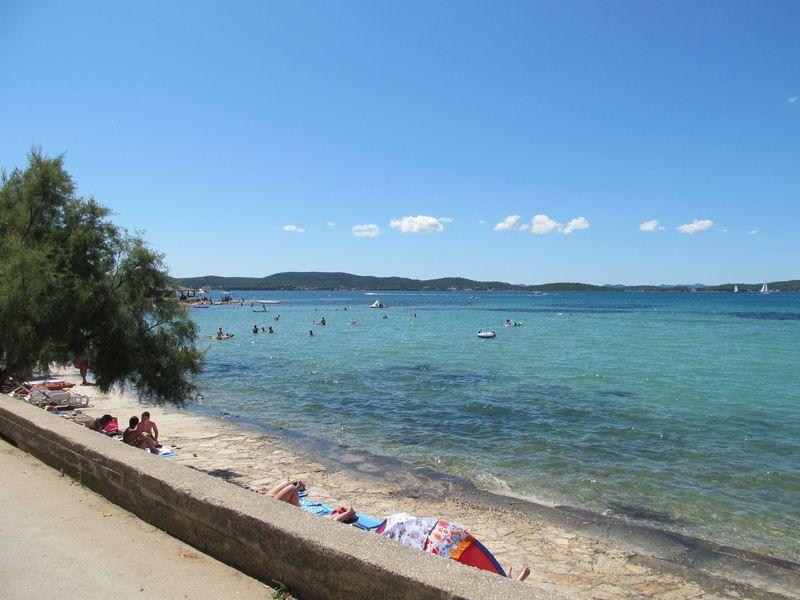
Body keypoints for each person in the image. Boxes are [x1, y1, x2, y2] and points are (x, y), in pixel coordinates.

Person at [257, 481, 356, 523]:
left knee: (291, 488)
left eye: (341, 511)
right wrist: (349, 512)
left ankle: (296, 488)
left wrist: (349, 512)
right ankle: (297, 488)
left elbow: (334, 521)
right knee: (288, 484)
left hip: (295, 512)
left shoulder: (326, 516)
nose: (340, 509)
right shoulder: (326, 511)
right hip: (293, 506)